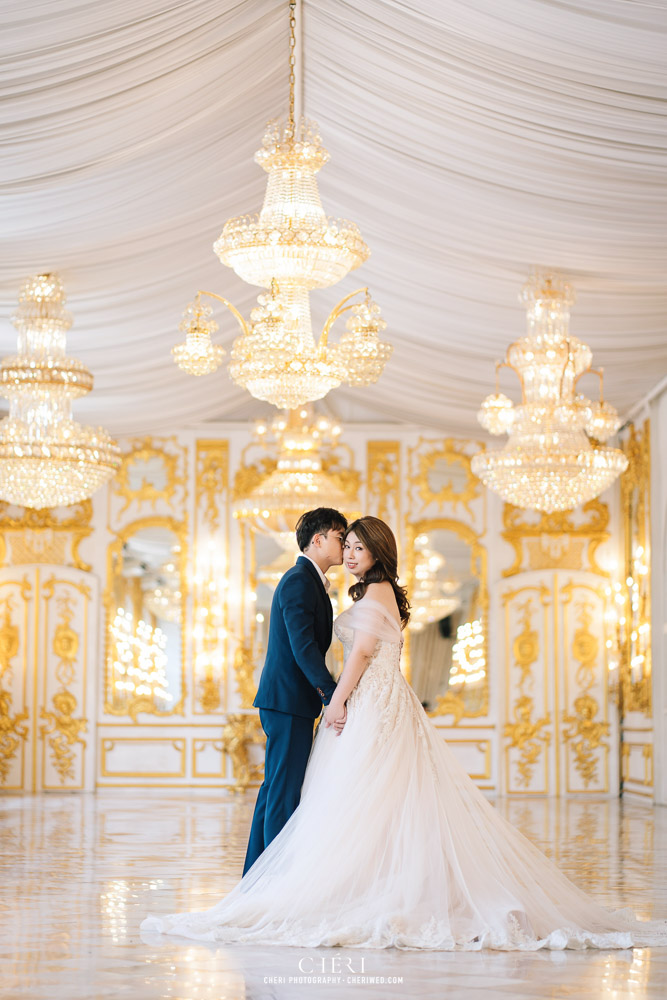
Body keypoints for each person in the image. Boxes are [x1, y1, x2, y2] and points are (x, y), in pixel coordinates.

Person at [142, 517, 667, 950]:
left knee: (358, 796)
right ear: (324, 542)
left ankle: (290, 886)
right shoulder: (325, 584)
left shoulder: (375, 590)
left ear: (378, 552)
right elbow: (317, 648)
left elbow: (365, 651)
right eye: (345, 544)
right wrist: (336, 696)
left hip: (368, 699)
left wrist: (336, 697)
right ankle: (266, 883)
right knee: (327, 795)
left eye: (358, 546)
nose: (349, 553)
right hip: (336, 699)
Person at [242, 507, 347, 875]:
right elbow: (303, 647)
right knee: (283, 794)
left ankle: (255, 877)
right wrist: (331, 694)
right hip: (288, 702)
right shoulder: (299, 580)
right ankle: (275, 884)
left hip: (288, 702)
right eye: (339, 536)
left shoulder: (307, 579)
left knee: (275, 790)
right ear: (317, 540)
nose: (345, 543)